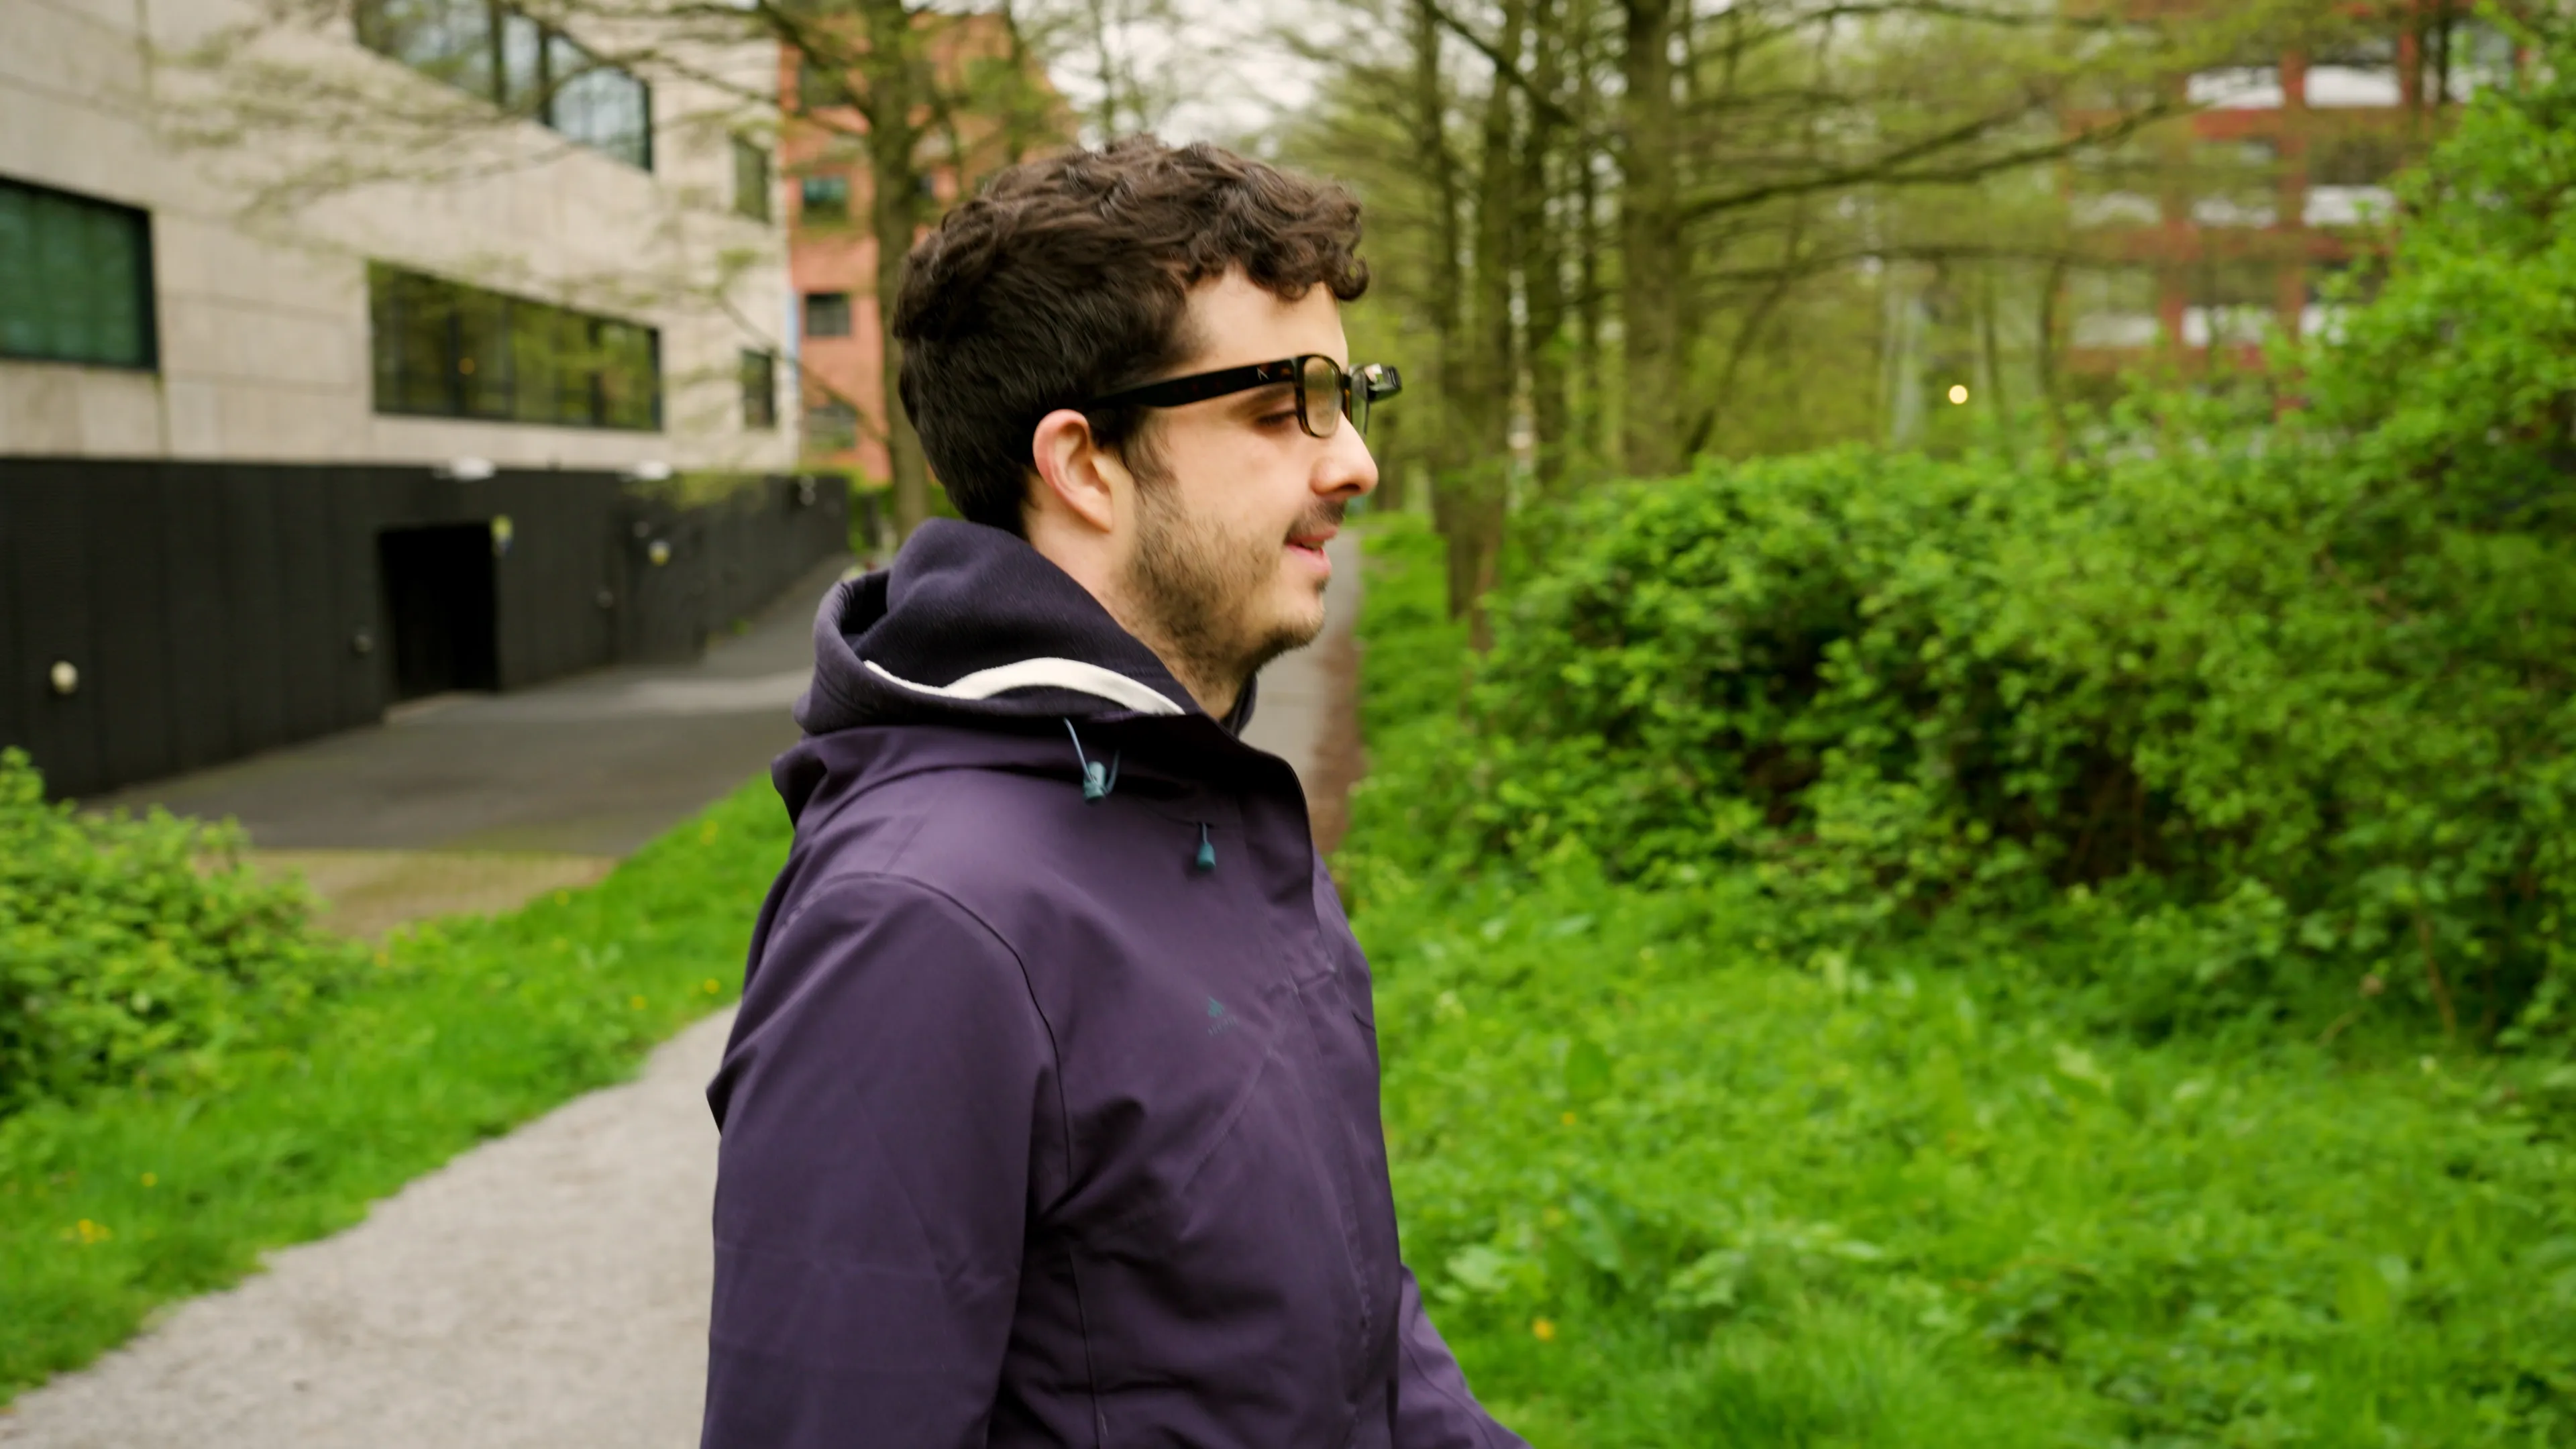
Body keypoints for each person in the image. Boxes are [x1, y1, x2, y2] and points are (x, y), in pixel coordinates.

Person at [699, 137, 1524, 1448]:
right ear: (1083, 465)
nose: (1356, 463)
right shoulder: (920, 926)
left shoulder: (1201, 800)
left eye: (1350, 396)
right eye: (1281, 408)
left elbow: (1349, 1329)